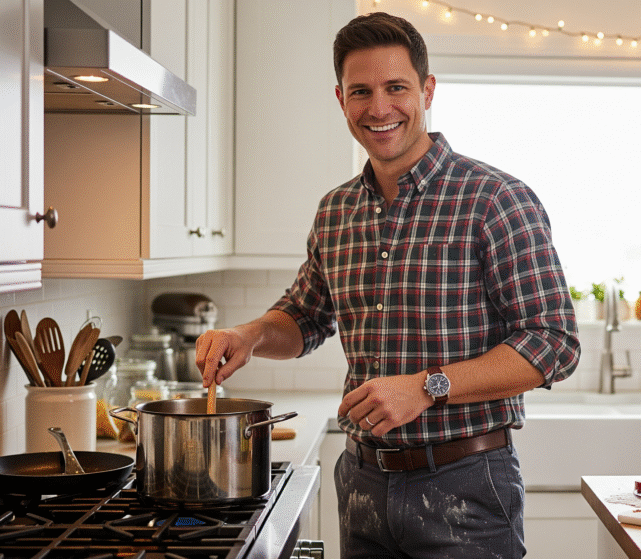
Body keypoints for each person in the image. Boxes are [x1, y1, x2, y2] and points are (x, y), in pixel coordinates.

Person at [195, 11, 580, 559]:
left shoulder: (495, 200)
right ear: (340, 99)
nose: (379, 108)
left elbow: (555, 344)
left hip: (466, 487)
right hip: (362, 484)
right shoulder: (337, 210)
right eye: (361, 92)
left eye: (396, 87)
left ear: (427, 90)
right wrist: (252, 334)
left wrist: (427, 387)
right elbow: (305, 317)